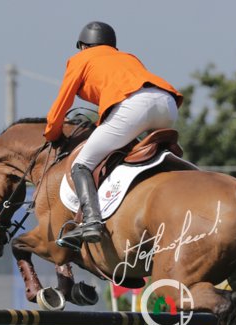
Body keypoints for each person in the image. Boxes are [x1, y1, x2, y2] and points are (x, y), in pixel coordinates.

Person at [44, 21, 183, 247]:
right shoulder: (128, 57)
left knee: (81, 164)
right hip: (167, 103)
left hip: (134, 106)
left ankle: (91, 221)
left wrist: (52, 133)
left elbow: (62, 103)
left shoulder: (80, 59)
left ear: (83, 46)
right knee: (146, 154)